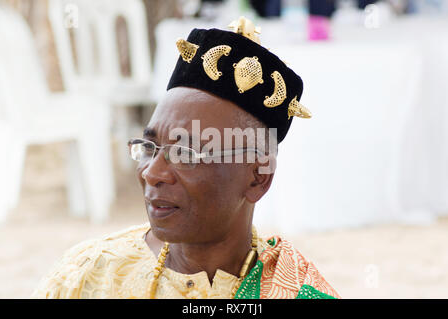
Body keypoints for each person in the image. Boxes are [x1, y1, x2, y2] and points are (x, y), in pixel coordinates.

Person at [31, 17, 340, 299]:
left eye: (184, 154)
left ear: (258, 176)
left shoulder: (298, 291)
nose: (152, 173)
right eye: (150, 148)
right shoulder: (88, 277)